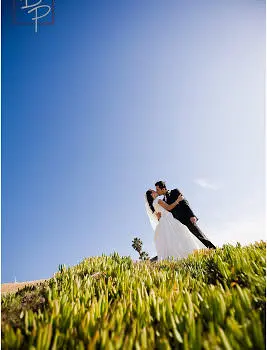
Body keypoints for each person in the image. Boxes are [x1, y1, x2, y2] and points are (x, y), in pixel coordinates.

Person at [145, 189, 207, 261]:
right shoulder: (158, 200)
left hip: (163, 222)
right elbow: (169, 207)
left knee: (173, 240)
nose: (156, 191)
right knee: (182, 235)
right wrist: (178, 200)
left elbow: (158, 217)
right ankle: (191, 254)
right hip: (169, 220)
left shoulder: (153, 205)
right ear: (152, 194)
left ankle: (178, 258)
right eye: (154, 191)